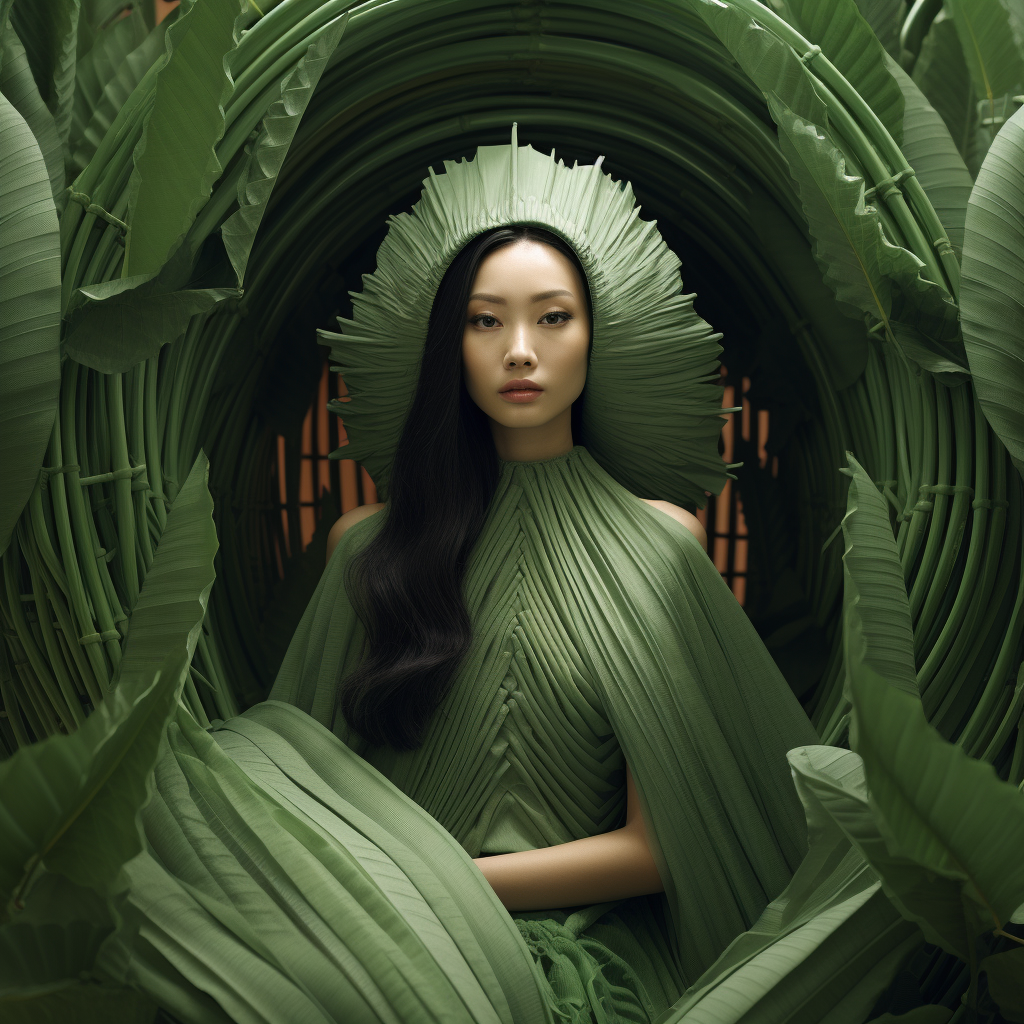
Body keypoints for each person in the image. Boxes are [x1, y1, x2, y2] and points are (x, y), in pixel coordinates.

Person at [102, 126, 916, 1023]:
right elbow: (293, 796)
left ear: (595, 335)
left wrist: (451, 892)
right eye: (485, 321)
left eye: (552, 317)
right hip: (386, 956)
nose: (519, 350)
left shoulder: (664, 549)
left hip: (589, 955)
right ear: (449, 344)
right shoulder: (367, 549)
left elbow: (660, 845)